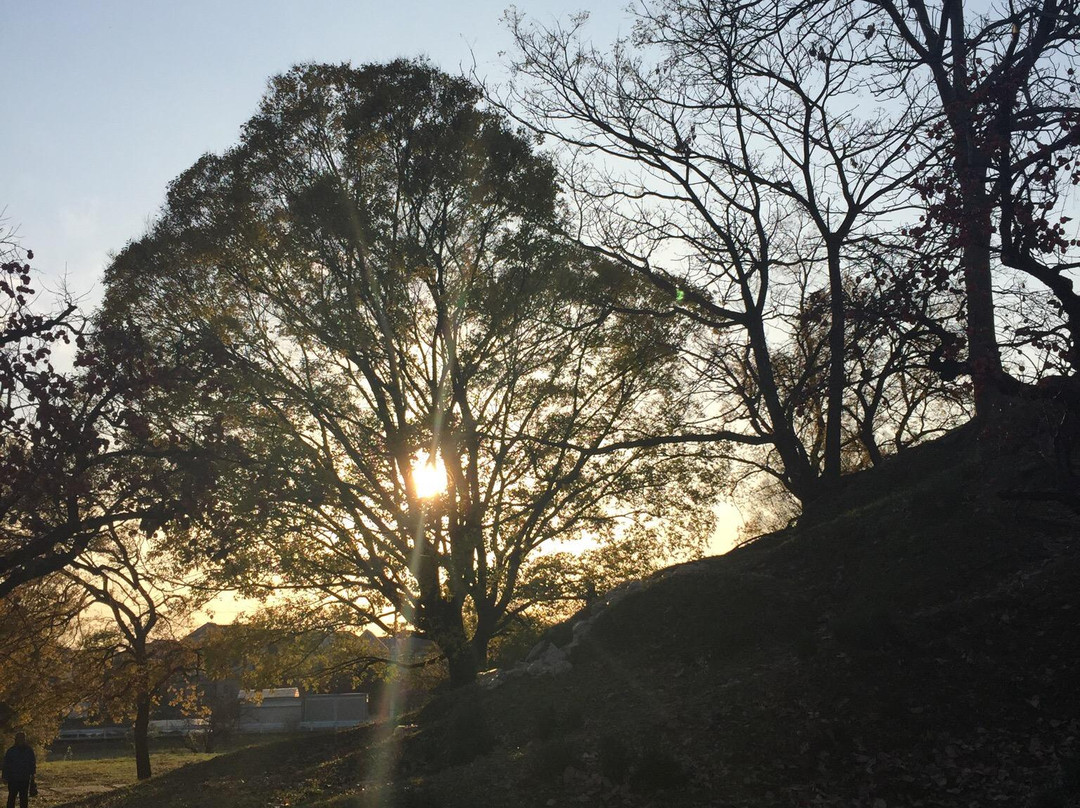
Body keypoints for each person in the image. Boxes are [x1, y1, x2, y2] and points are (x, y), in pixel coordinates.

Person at [1, 732, 35, 808]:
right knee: (12, 798)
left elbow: (32, 763)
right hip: (14, 779)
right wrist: (5, 776)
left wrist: (32, 775)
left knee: (23, 798)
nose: (21, 740)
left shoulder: (28, 750)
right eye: (20, 739)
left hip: (24, 778)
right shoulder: (12, 751)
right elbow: (6, 765)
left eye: (22, 739)